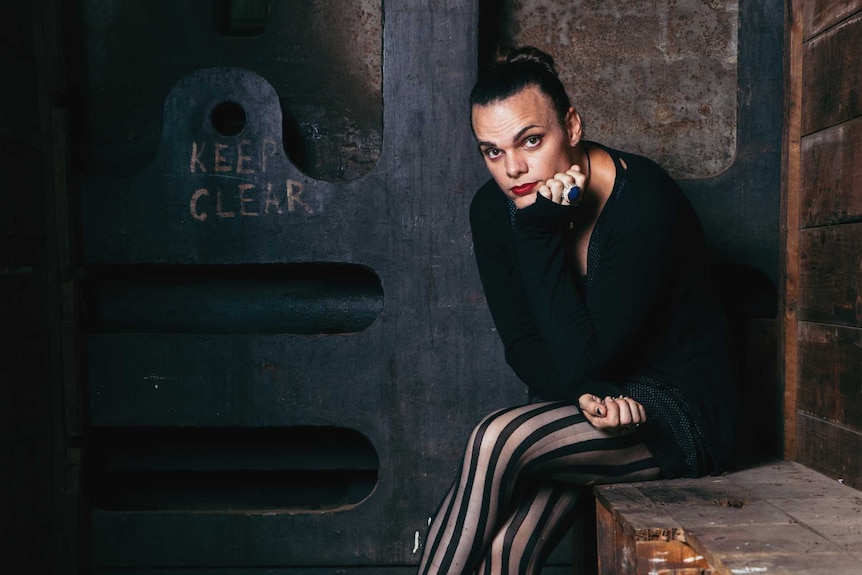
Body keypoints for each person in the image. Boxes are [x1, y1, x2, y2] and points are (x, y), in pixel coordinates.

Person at [416, 46, 739, 575]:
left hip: (673, 410)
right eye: (492, 152)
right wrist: (589, 399)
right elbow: (523, 346)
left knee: (497, 438)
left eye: (531, 141)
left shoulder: (642, 205)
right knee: (506, 552)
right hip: (587, 403)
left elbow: (591, 358)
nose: (514, 169)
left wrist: (538, 231)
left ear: (571, 124)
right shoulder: (494, 211)